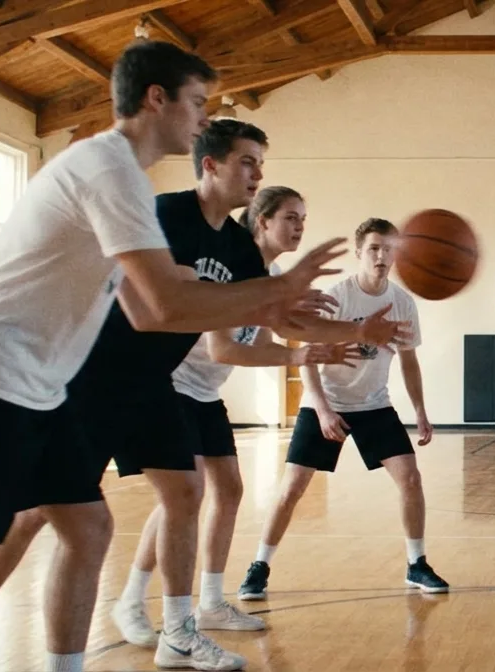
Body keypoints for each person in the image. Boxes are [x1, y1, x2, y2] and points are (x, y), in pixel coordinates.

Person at [0, 41, 350, 672]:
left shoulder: (127, 179)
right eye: (197, 102)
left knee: (88, 528)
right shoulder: (109, 169)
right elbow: (160, 311)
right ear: (157, 98)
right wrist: (277, 293)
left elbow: (187, 299)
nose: (204, 118)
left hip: (42, 383)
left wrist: (277, 305)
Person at [0, 117, 401, 672]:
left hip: (152, 384)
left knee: (185, 494)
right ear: (211, 165)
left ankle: (178, 630)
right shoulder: (168, 216)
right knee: (33, 514)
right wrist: (281, 315)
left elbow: (283, 319)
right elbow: (163, 309)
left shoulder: (238, 249)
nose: (256, 174)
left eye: (261, 165)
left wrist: (358, 331)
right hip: (91, 379)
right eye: (247, 162)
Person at [105, 185, 360, 641]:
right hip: (173, 385)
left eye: (303, 217)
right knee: (184, 495)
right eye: (290, 217)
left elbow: (262, 341)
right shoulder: (233, 267)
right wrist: (297, 357)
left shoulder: (274, 275)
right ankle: (132, 600)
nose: (300, 225)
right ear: (261, 221)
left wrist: (317, 345)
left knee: (229, 490)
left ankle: (210, 602)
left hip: (204, 392)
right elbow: (221, 349)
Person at [238, 217, 448, 601]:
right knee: (292, 488)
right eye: (373, 248)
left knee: (411, 478)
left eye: (388, 249)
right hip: (328, 401)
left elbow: (408, 361)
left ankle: (416, 563)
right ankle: (259, 566)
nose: (381, 256)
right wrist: (321, 410)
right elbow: (309, 358)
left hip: (374, 404)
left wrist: (419, 410)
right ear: (359, 252)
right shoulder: (338, 297)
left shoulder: (402, 302)